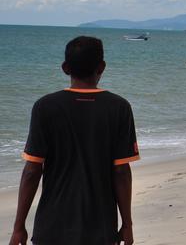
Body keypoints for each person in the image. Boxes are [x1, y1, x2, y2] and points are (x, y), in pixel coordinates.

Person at [9, 36, 138, 245]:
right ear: (102, 67)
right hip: (101, 227)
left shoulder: (45, 107)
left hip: (51, 227)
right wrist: (127, 225)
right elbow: (121, 172)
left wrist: (18, 227)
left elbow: (32, 171)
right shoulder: (119, 107)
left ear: (65, 68)